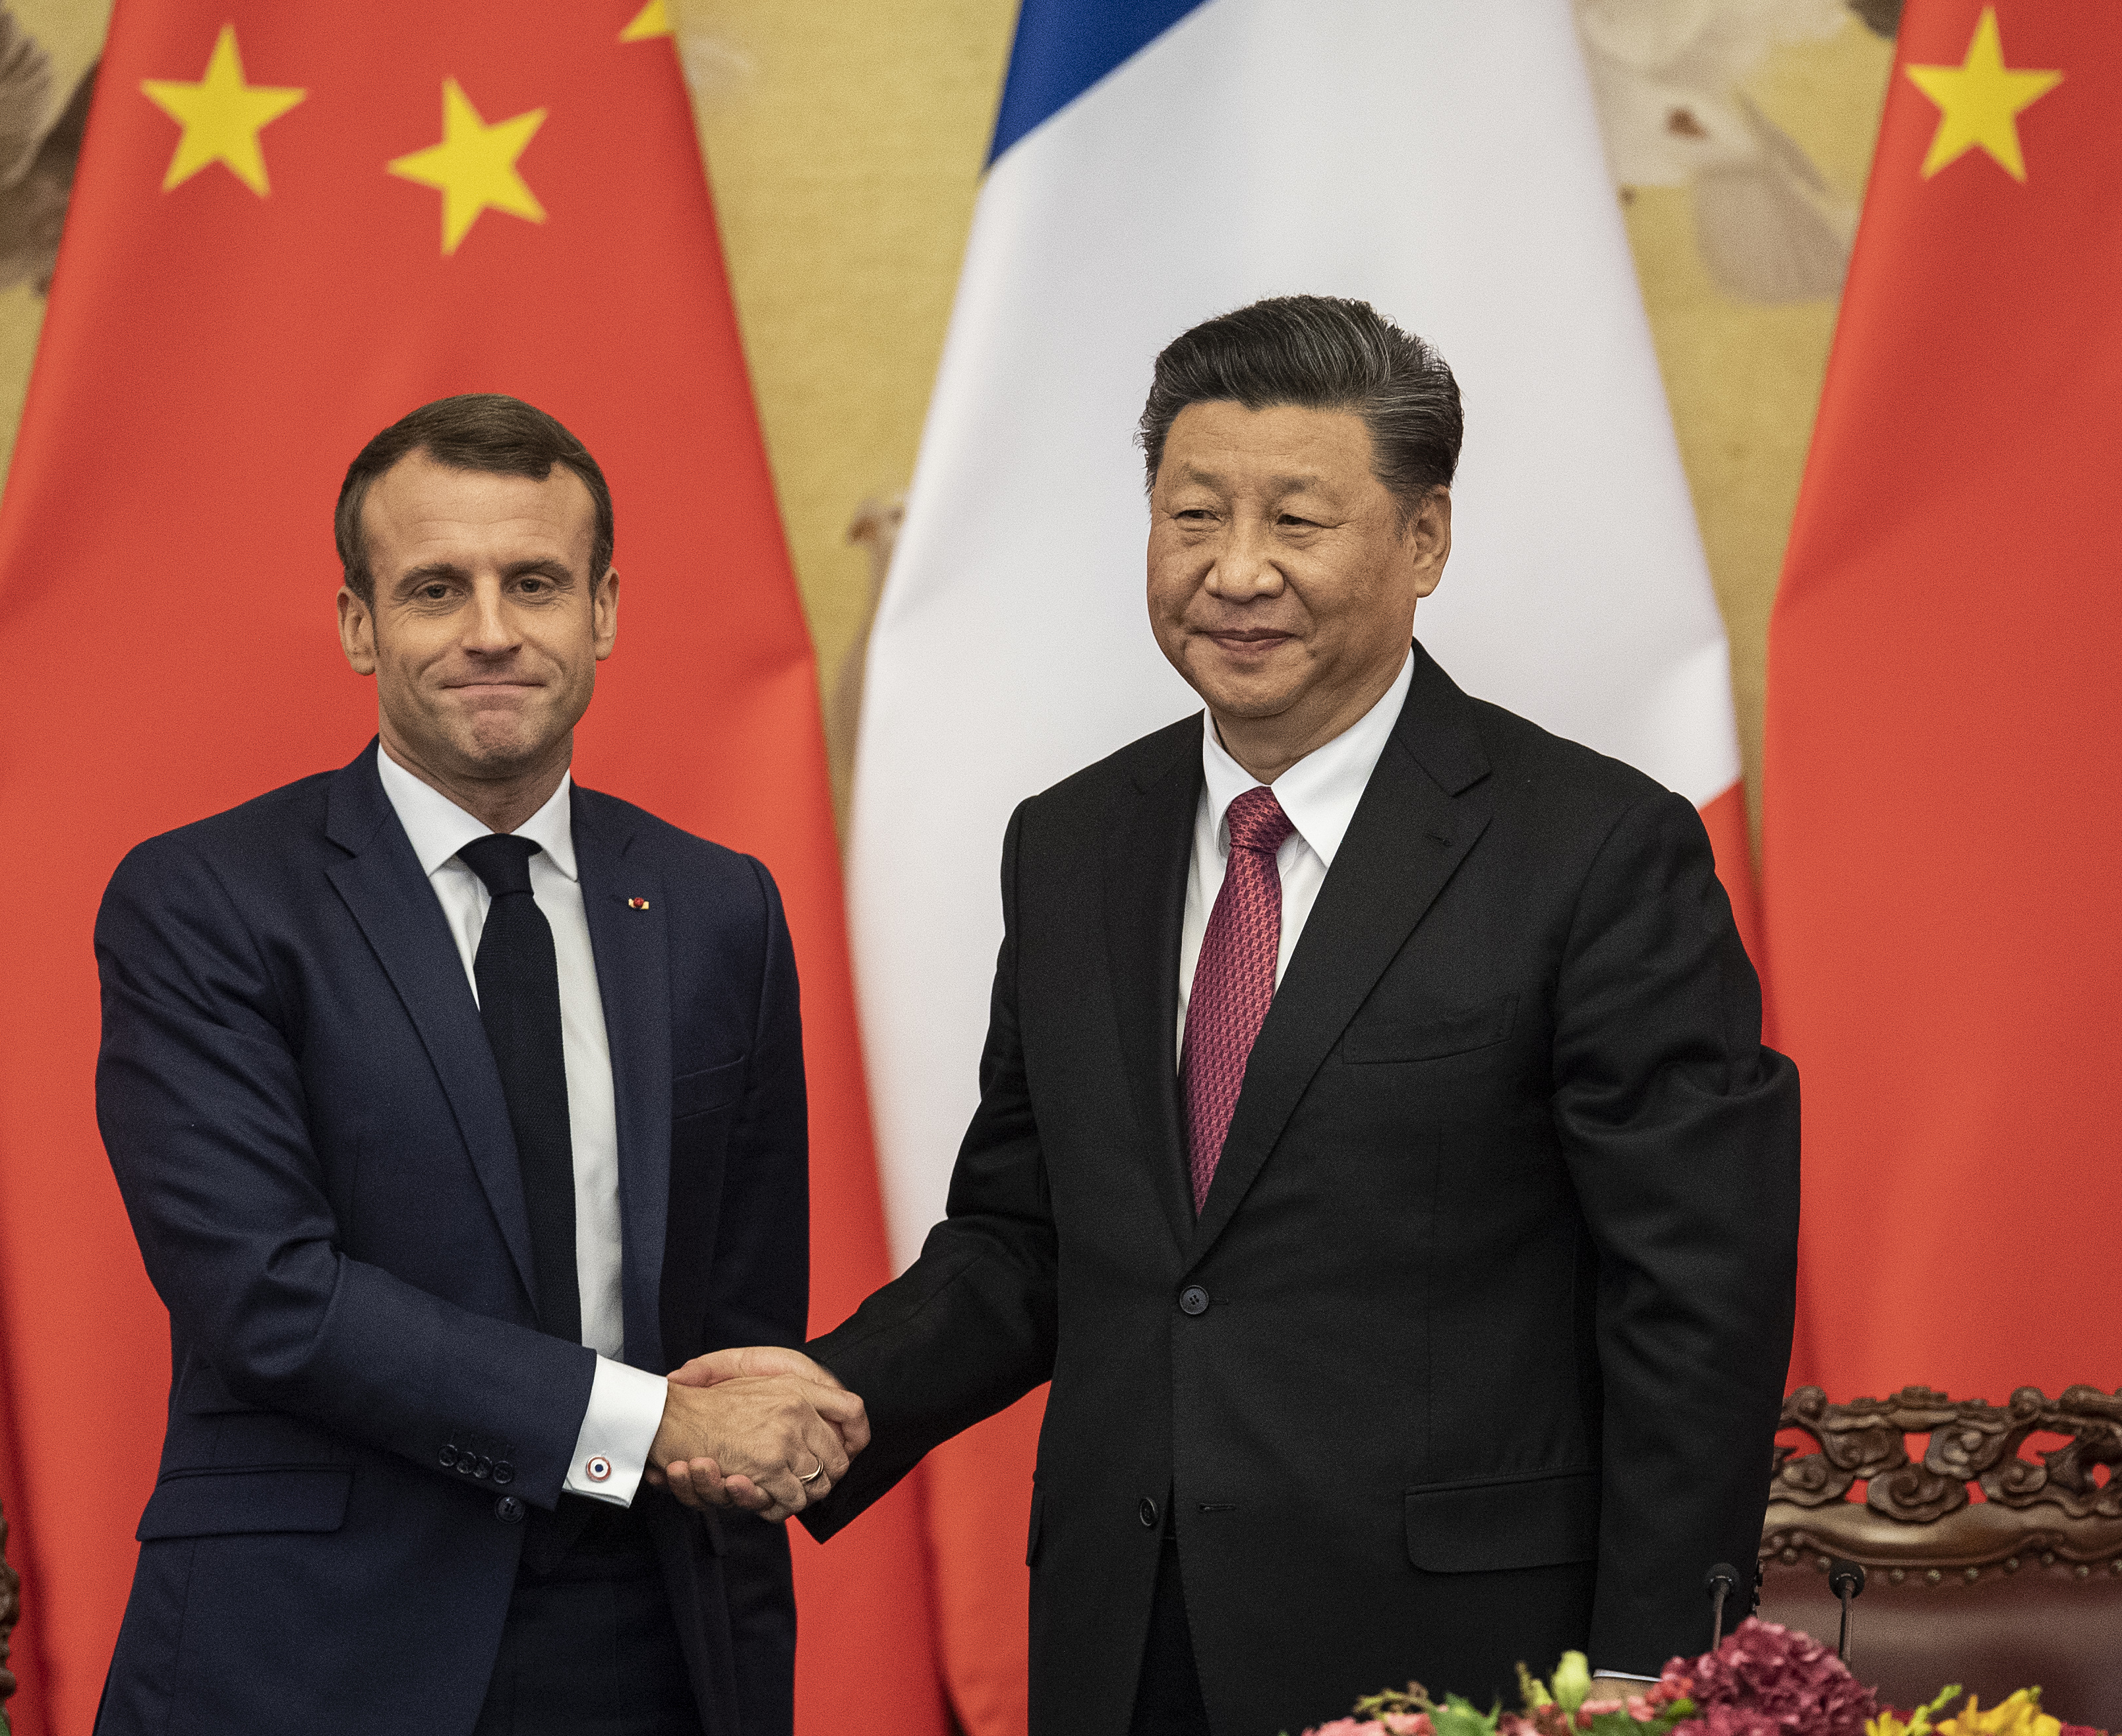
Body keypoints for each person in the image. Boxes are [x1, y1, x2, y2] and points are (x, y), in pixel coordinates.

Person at [665, 297, 1801, 1736]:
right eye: (1191, 513)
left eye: (1298, 521)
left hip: (1466, 1654)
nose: (1236, 571)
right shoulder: (1072, 844)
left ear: (1424, 542)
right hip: (1125, 1631)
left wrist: (1654, 1673)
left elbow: (1696, 1296)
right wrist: (835, 1393)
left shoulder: (1592, 851)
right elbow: (1029, 1235)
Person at [88, 393, 862, 1736]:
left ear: (603, 613)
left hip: (645, 1642)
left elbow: (740, 1328)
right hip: (315, 1645)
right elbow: (269, 1295)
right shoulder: (204, 900)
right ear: (356, 624)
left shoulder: (713, 906)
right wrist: (647, 1427)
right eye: (436, 588)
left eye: (536, 584)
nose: (491, 631)